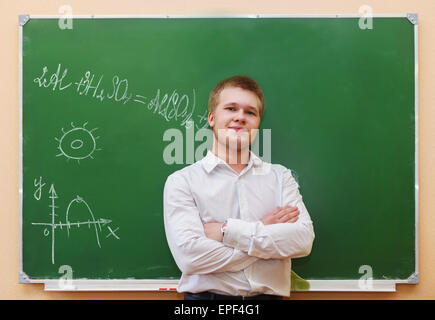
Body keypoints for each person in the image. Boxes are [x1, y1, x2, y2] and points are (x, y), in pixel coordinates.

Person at [163, 75, 315, 300]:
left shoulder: (280, 177)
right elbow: (190, 257)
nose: (240, 117)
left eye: (250, 112)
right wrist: (264, 229)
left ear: (257, 123)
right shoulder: (182, 181)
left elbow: (302, 240)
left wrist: (227, 231)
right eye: (231, 108)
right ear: (212, 118)